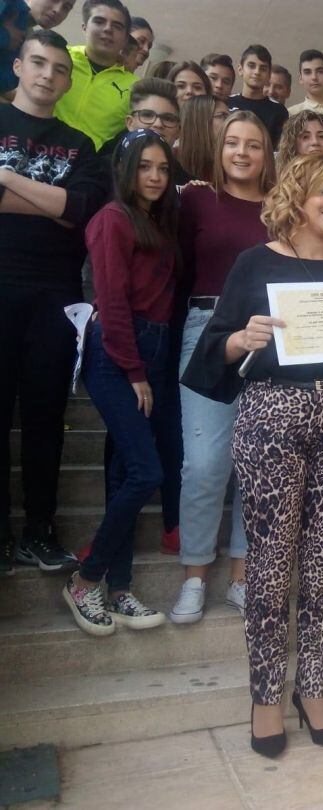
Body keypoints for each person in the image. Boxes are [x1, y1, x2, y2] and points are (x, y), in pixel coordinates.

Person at [181, 154, 323, 757]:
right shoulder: (253, 263)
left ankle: (312, 687)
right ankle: (264, 694)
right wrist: (240, 338)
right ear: (297, 194)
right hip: (272, 414)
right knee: (272, 558)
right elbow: (213, 352)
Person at [0, 29, 109, 575]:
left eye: (58, 68)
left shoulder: (81, 145)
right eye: (37, 63)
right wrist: (50, 200)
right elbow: (60, 204)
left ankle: (40, 531)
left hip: (58, 298)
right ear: (18, 66)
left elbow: (80, 209)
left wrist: (5, 180)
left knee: (46, 417)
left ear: (68, 80)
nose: (47, 74)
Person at [63, 129, 179, 635]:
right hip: (118, 353)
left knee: (122, 473)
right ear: (125, 170)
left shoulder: (152, 219)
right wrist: (134, 371)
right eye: (145, 167)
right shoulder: (112, 219)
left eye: (162, 168)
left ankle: (120, 586)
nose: (154, 177)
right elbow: (110, 300)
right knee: (145, 471)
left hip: (150, 350)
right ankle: (86, 581)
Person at [169, 111, 275, 624]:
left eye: (253, 145)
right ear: (219, 147)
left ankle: (242, 574)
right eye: (232, 142)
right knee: (206, 462)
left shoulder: (281, 208)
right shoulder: (193, 199)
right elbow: (173, 266)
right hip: (207, 326)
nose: (241, 152)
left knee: (256, 461)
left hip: (266, 333)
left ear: (267, 153)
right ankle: (194, 575)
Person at [54, 0, 135, 150]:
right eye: (99, 21)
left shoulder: (135, 87)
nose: (108, 29)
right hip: (34, 151)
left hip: (88, 167)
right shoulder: (57, 59)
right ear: (84, 27)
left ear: (125, 39)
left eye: (117, 26)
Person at [228, 45, 287, 148]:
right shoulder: (227, 103)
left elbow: (280, 150)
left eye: (263, 68)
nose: (257, 72)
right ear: (240, 69)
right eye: (251, 66)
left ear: (269, 75)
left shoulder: (279, 111)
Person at [175, 94, 229, 184]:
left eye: (229, 116)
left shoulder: (229, 162)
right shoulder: (171, 161)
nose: (230, 121)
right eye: (222, 116)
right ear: (200, 121)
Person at [287, 49, 323, 118]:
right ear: (300, 79)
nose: (314, 77)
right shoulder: (291, 114)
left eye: (320, 71)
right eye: (307, 72)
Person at [276, 109, 323, 175]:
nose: (315, 142)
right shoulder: (280, 180)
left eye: (321, 136)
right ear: (292, 144)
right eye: (306, 137)